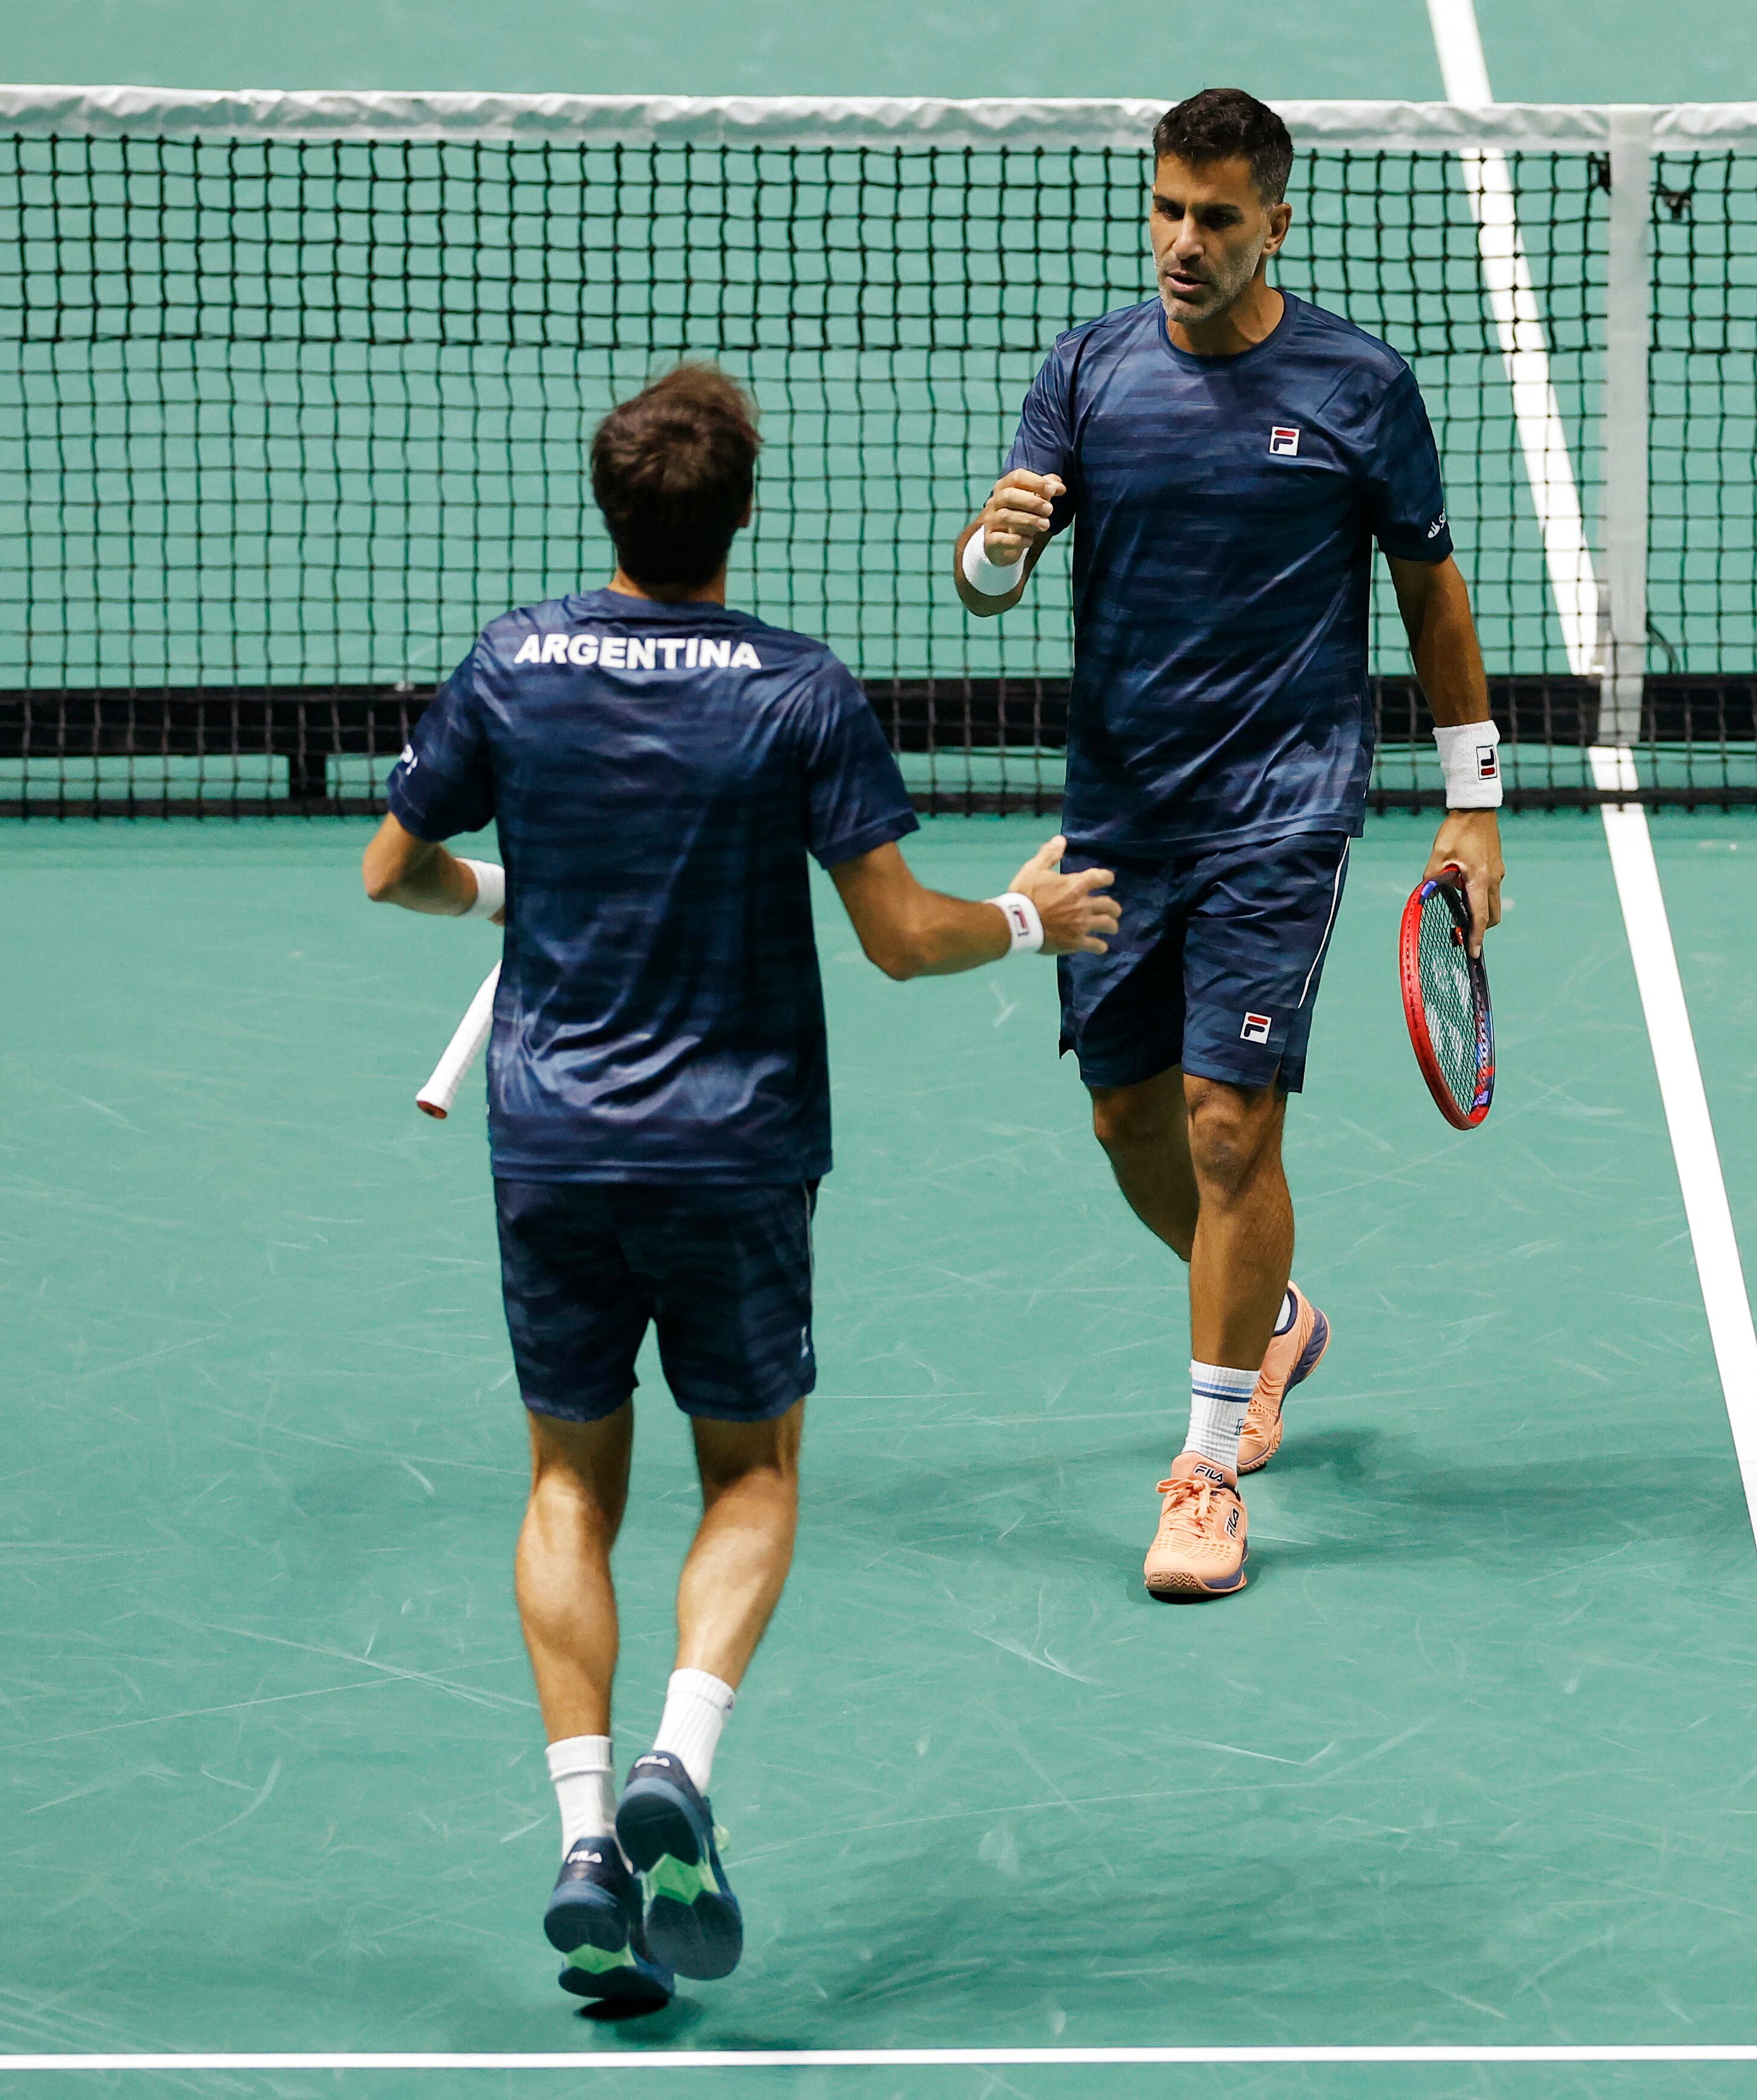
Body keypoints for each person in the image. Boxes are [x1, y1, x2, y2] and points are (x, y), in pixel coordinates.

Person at [364, 364, 1117, 2011]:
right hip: (734, 1149)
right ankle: (679, 1765)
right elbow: (902, 936)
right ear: (741, 517)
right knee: (753, 1475)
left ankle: (583, 1836)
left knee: (570, 1488)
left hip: (552, 1142)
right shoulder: (799, 692)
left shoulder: (514, 661)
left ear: (610, 508)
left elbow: (392, 866)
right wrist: (1025, 917)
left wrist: (511, 885)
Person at [951, 87, 1505, 1602]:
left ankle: (1202, 1470)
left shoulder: (1356, 386)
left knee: (1223, 1124)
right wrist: (990, 548)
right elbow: (989, 581)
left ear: (1275, 220)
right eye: (1165, 211)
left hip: (1282, 803)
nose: (1182, 243)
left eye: (1214, 217)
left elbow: (1429, 594)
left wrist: (1474, 803)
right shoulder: (1087, 371)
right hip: (1121, 809)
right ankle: (1272, 1327)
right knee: (1127, 1123)